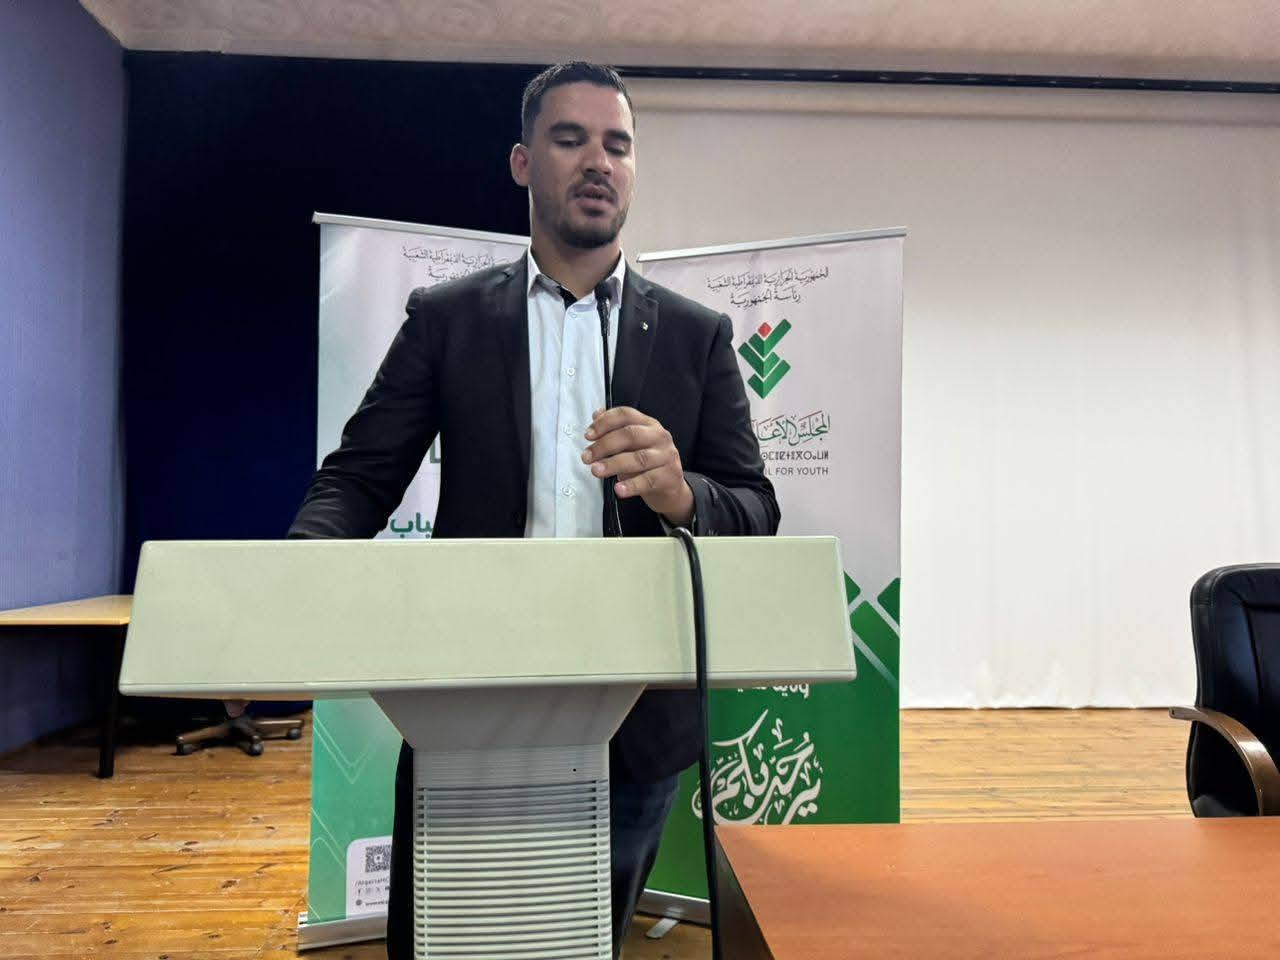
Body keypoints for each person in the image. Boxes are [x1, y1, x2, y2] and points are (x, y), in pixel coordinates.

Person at [288, 61, 778, 958]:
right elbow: (358, 480)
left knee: (581, 942)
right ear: (522, 162)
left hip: (635, 723)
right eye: (570, 139)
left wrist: (682, 494)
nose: (598, 161)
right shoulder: (447, 319)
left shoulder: (695, 336)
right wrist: (287, 592)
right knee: (446, 938)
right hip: (469, 701)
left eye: (618, 145)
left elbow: (755, 510)